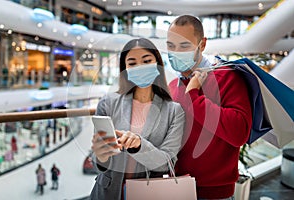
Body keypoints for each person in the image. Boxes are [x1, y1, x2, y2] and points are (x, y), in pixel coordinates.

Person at [166, 15, 253, 199]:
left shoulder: (227, 77)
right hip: (176, 188)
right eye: (171, 46)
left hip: (215, 194)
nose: (176, 52)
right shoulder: (173, 85)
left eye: (184, 46)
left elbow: (240, 133)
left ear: (202, 45)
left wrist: (194, 97)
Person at [90, 38, 185, 200]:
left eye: (147, 61)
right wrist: (100, 156)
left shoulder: (174, 111)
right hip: (107, 192)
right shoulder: (108, 103)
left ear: (158, 64)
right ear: (124, 69)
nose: (140, 67)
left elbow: (166, 163)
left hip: (148, 193)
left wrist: (139, 145)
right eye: (132, 63)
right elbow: (98, 161)